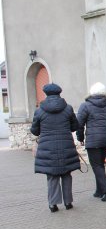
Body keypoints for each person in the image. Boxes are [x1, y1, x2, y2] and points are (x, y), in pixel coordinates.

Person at [31, 83, 80, 212]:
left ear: (46, 94)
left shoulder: (39, 111)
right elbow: (75, 127)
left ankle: (53, 204)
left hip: (47, 147)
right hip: (66, 145)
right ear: (59, 93)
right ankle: (68, 202)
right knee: (66, 173)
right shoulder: (68, 109)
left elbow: (35, 131)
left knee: (52, 176)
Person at [76, 82, 106, 201]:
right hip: (105, 140)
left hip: (93, 141)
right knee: (100, 165)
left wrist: (80, 138)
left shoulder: (85, 105)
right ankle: (99, 191)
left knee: (96, 166)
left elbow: (79, 124)